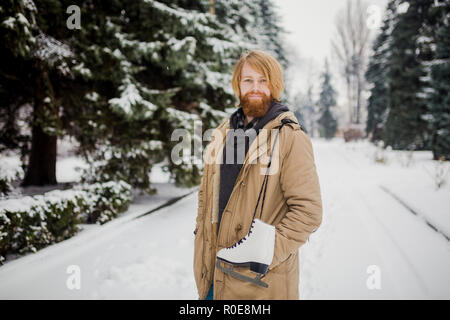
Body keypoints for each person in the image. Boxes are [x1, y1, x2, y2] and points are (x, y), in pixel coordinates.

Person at [193, 50, 323, 300]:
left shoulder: (290, 138)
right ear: (237, 85)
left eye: (263, 80)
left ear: (275, 86)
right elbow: (206, 197)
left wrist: (265, 252)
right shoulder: (222, 133)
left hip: (260, 284)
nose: (255, 87)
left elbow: (309, 212)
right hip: (213, 277)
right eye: (248, 80)